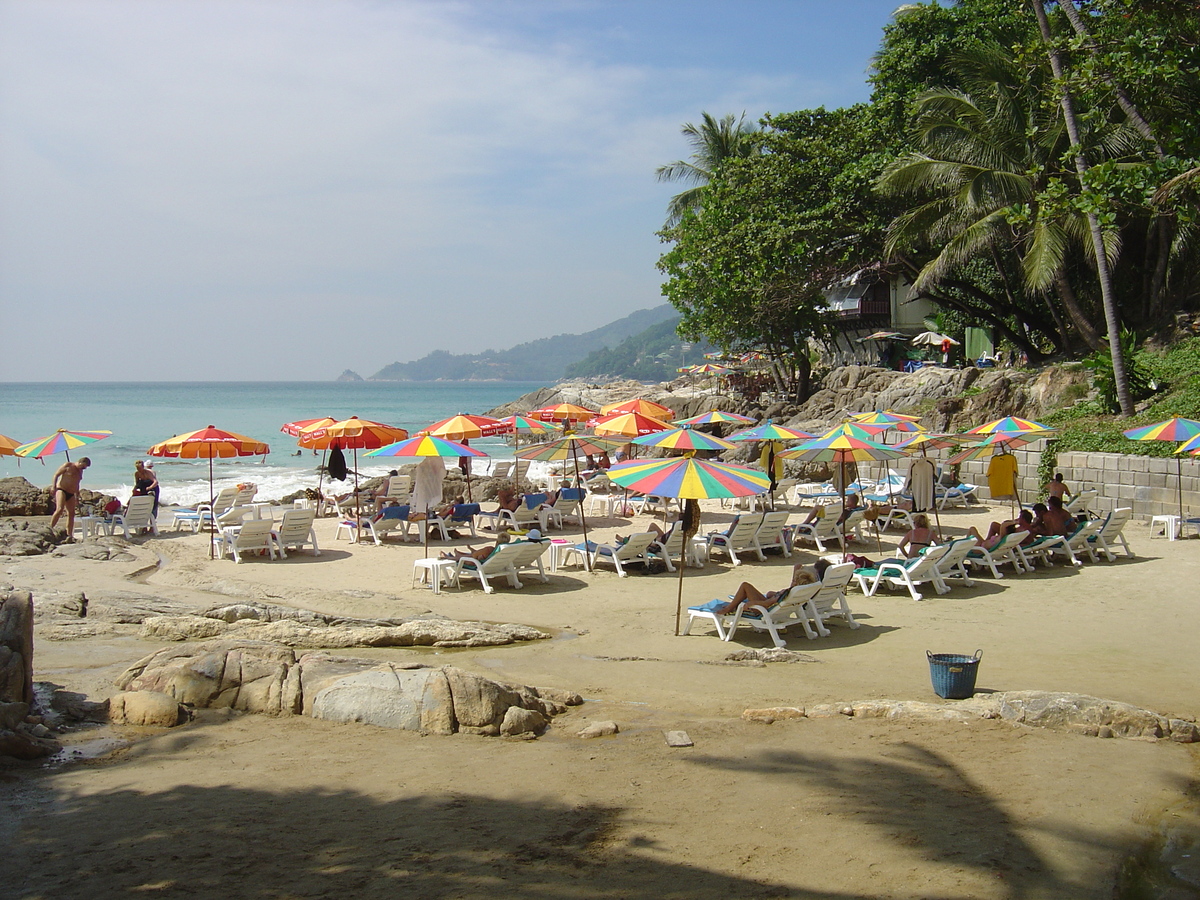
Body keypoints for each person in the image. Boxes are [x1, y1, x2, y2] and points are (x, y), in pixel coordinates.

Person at [706, 559, 834, 616]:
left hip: (763, 610)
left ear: (795, 582)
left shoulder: (789, 592)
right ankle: (733, 604)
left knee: (745, 586)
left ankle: (729, 607)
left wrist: (749, 604)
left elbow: (767, 603)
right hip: (781, 609)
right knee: (758, 591)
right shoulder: (808, 588)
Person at [49, 457, 91, 536]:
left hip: (71, 493)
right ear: (80, 462)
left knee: (71, 513)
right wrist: (53, 486)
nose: (84, 469)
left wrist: (77, 494)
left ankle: (69, 535)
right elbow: (56, 475)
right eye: (83, 466)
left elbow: (77, 482)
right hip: (62, 489)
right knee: (59, 509)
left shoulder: (80, 471)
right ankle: (50, 527)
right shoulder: (68, 465)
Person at [966, 509, 1035, 550]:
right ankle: (966, 546)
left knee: (972, 529)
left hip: (982, 549)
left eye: (1020, 517)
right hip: (988, 545)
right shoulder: (1022, 530)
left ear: (1023, 519)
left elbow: (1003, 525)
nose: (1018, 518)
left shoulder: (1019, 531)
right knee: (974, 529)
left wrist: (1014, 522)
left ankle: (964, 550)